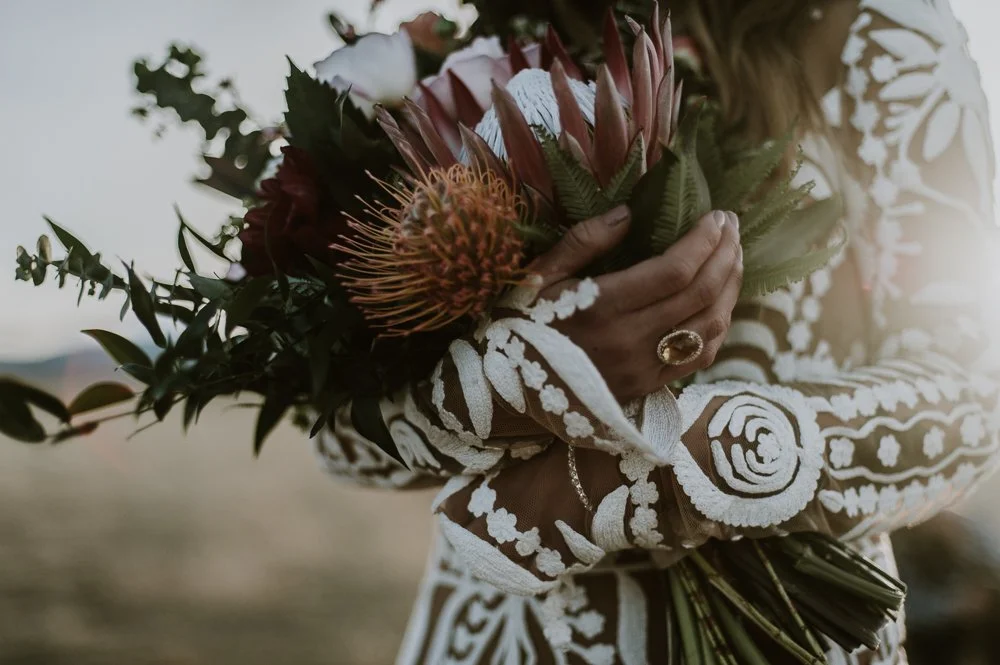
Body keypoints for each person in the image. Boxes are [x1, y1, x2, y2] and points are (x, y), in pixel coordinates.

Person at [316, 0, 1000, 663]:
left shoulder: (878, 28)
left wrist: (649, 472)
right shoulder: (478, 44)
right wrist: (515, 386)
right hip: (506, 631)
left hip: (784, 636)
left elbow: (972, 402)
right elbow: (342, 438)